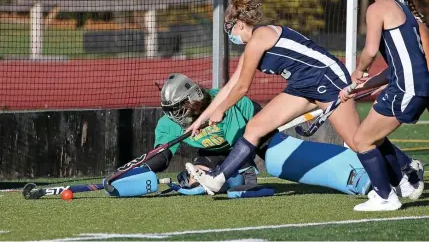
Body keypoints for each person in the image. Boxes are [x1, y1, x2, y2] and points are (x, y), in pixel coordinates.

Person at [183, 0, 423, 200]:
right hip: (301, 86)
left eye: (228, 28)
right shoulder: (251, 48)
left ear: (240, 24)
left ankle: (407, 167)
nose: (229, 34)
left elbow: (242, 88)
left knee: (357, 140)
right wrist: (201, 120)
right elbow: (229, 86)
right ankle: (219, 177)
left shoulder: (260, 37)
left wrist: (222, 111)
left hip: (327, 79)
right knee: (255, 128)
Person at [144, 73, 372, 196]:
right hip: (215, 151)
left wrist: (239, 172)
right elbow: (161, 157)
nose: (175, 115)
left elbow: (241, 144)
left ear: (194, 99)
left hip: (255, 135)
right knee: (195, 184)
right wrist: (136, 169)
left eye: (179, 108)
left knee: (275, 162)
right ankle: (234, 177)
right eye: (171, 110)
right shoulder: (169, 123)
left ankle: (355, 166)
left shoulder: (224, 104)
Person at [337, 0, 429, 211]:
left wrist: (358, 72)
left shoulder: (377, 9)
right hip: (411, 86)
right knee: (370, 136)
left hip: (407, 88)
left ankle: (385, 196)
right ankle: (406, 176)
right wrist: (363, 85)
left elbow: (369, 51)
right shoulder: (405, 8)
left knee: (361, 140)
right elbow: (403, 64)